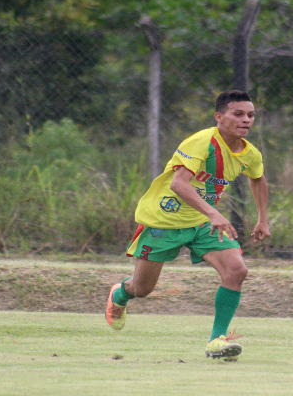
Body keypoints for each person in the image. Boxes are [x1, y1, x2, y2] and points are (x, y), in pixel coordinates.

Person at [105, 90, 270, 359]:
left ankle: (217, 340)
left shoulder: (250, 153)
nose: (246, 120)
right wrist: (214, 213)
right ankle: (120, 294)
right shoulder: (202, 142)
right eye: (238, 114)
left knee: (236, 271)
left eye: (250, 115)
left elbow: (258, 178)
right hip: (164, 220)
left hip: (203, 222)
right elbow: (179, 184)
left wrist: (262, 218)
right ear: (219, 117)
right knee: (142, 290)